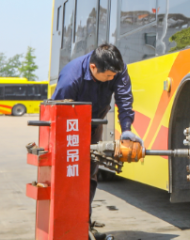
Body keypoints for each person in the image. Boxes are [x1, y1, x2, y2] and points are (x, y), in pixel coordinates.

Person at [52, 44, 142, 203]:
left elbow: (124, 99)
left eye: (114, 75)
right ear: (93, 67)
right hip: (70, 127)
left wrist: (126, 129)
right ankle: (65, 212)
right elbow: (57, 113)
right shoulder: (71, 78)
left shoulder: (117, 69)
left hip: (95, 122)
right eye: (108, 76)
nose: (112, 79)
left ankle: (84, 214)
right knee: (67, 170)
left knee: (90, 171)